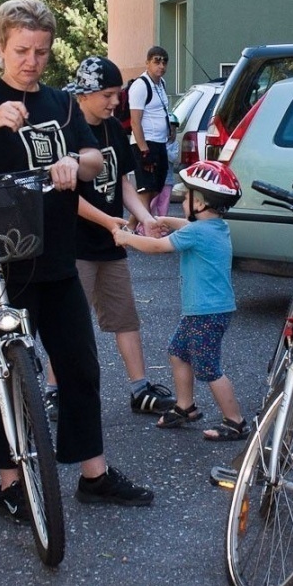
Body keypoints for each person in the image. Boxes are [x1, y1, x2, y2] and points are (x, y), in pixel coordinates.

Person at [0, 0, 154, 519]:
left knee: (79, 365)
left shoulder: (60, 102)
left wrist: (72, 163)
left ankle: (93, 475)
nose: (30, 60)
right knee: (10, 371)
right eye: (21, 50)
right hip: (5, 262)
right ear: (0, 48)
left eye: (40, 51)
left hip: (57, 256)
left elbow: (96, 158)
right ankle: (9, 486)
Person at [40, 55, 175, 422]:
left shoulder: (113, 129)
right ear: (85, 94)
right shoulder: (66, 130)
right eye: (109, 95)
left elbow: (122, 181)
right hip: (74, 244)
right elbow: (64, 193)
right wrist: (110, 223)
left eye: (117, 94)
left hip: (111, 242)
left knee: (126, 318)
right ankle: (54, 391)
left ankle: (139, 389)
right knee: (69, 322)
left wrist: (145, 218)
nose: (115, 102)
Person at [114, 161, 250, 442]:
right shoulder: (215, 226)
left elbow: (156, 247)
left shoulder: (197, 233)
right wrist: (164, 220)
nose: (182, 200)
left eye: (186, 195)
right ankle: (184, 406)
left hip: (206, 312)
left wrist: (125, 237)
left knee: (210, 368)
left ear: (199, 202)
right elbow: (186, 225)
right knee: (178, 352)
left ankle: (235, 421)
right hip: (207, 311)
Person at [126, 46, 171, 232]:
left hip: (160, 143)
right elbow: (135, 123)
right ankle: (141, 230)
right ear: (148, 63)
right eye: (156, 61)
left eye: (164, 62)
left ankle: (130, 226)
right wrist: (144, 151)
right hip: (144, 144)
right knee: (145, 190)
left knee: (155, 189)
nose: (160, 66)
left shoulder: (161, 84)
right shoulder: (140, 86)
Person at [147, 112, 178, 220]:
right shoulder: (155, 142)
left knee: (164, 204)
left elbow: (174, 158)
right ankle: (145, 224)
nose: (169, 132)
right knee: (151, 203)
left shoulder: (174, 144)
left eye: (172, 130)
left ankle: (162, 223)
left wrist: (165, 150)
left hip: (168, 181)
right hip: (155, 179)